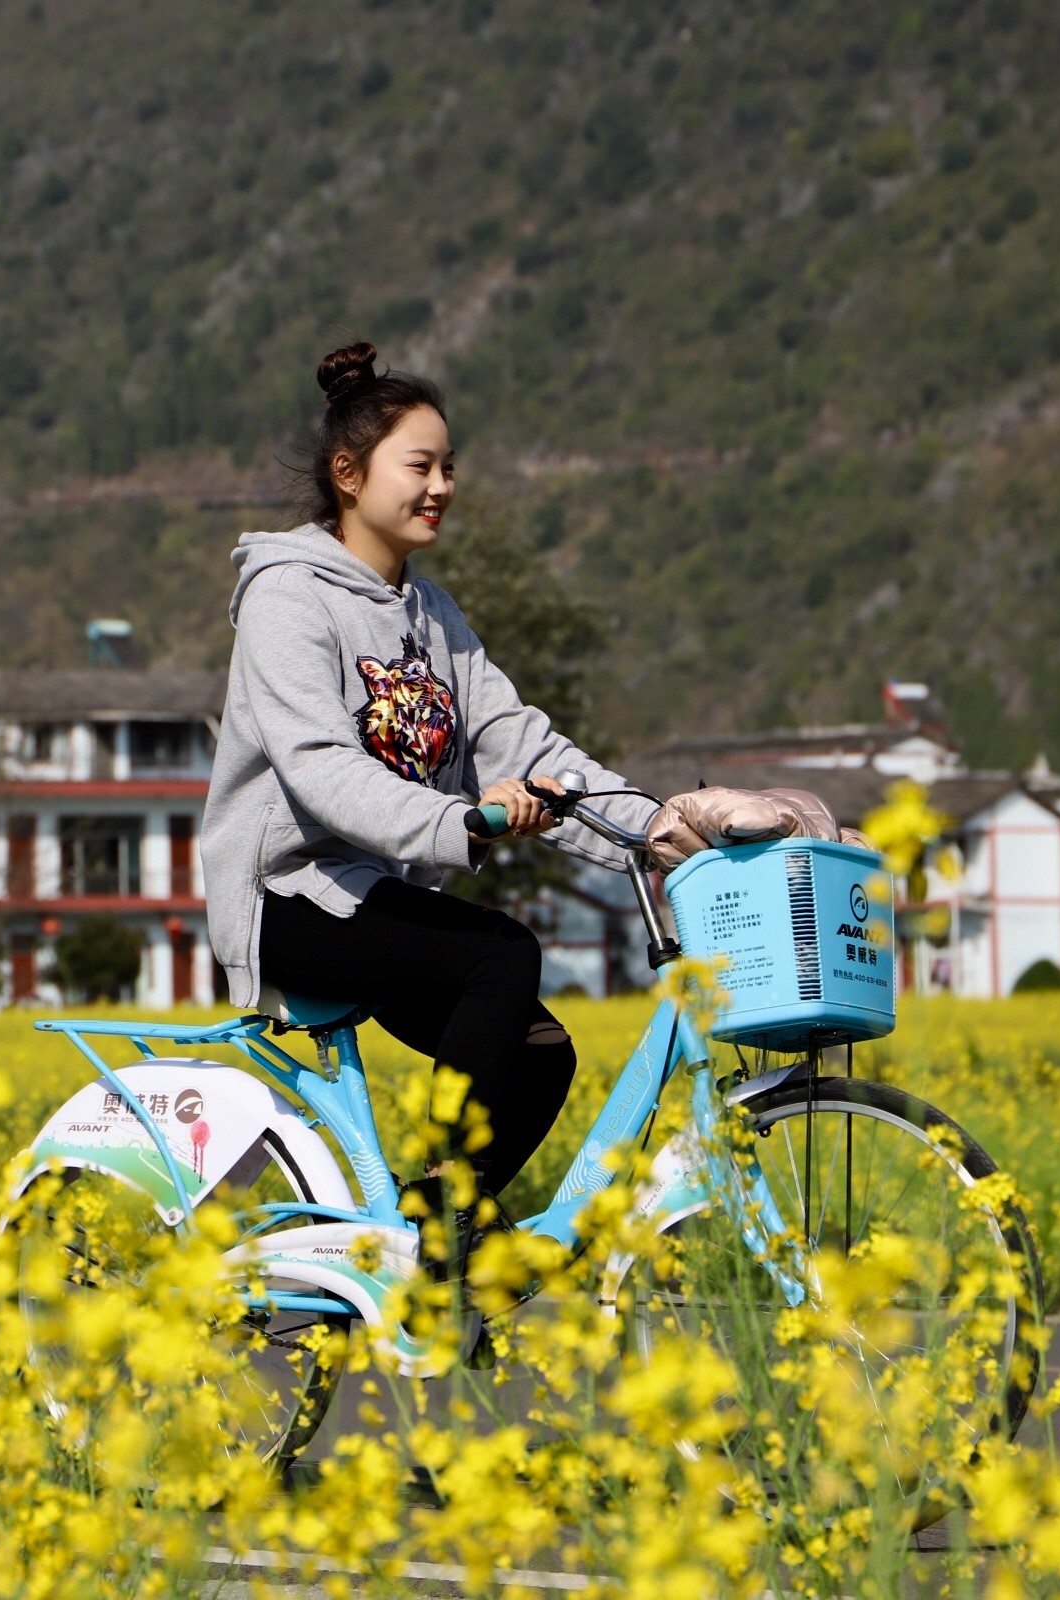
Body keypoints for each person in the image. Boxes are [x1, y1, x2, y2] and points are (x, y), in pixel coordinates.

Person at [202, 342, 842, 1253]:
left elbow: (522, 742)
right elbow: (318, 767)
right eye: (419, 466)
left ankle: (432, 1240)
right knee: (498, 954)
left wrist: (659, 826)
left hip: (373, 893)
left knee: (540, 1057)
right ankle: (451, 1215)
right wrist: (456, 820)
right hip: (286, 892)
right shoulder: (286, 596)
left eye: (449, 468)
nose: (441, 488)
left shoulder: (433, 616)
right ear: (349, 475)